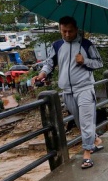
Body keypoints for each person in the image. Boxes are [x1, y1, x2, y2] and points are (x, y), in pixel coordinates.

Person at [38, 16, 104, 169]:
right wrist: (42, 74)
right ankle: (95, 139)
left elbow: (99, 62)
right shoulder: (57, 45)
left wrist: (85, 61)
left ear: (77, 30)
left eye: (70, 31)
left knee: (86, 122)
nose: (67, 35)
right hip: (66, 91)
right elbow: (49, 63)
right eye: (64, 31)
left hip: (85, 88)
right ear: (60, 30)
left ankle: (87, 154)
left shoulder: (86, 44)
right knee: (80, 122)